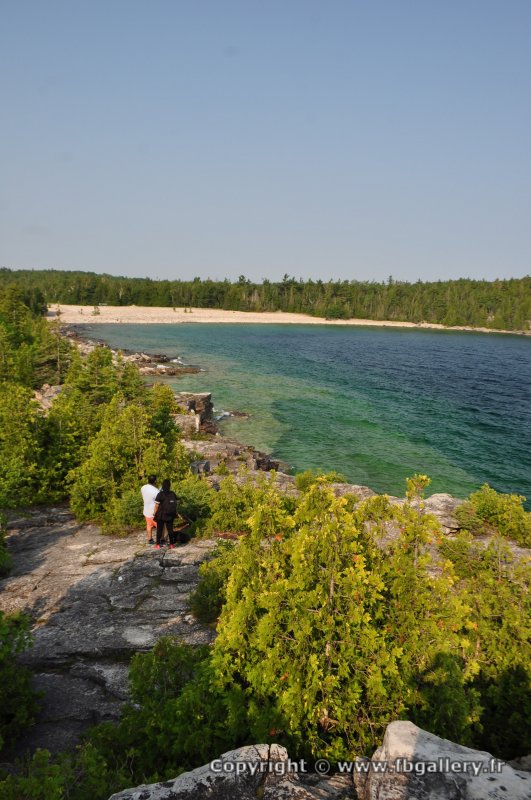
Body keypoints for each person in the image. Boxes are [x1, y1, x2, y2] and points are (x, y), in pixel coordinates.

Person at [153, 479, 190, 549]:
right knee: (170, 530)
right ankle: (171, 544)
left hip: (161, 515)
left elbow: (156, 506)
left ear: (162, 485)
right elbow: (177, 500)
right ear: (169, 486)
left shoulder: (160, 494)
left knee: (159, 530)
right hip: (170, 515)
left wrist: (154, 513)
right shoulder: (172, 493)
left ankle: (157, 544)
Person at [140, 475, 159, 545]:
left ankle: (150, 539)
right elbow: (158, 503)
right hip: (154, 512)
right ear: (155, 481)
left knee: (149, 525)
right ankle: (160, 540)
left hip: (146, 510)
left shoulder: (143, 487)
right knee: (159, 527)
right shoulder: (156, 491)